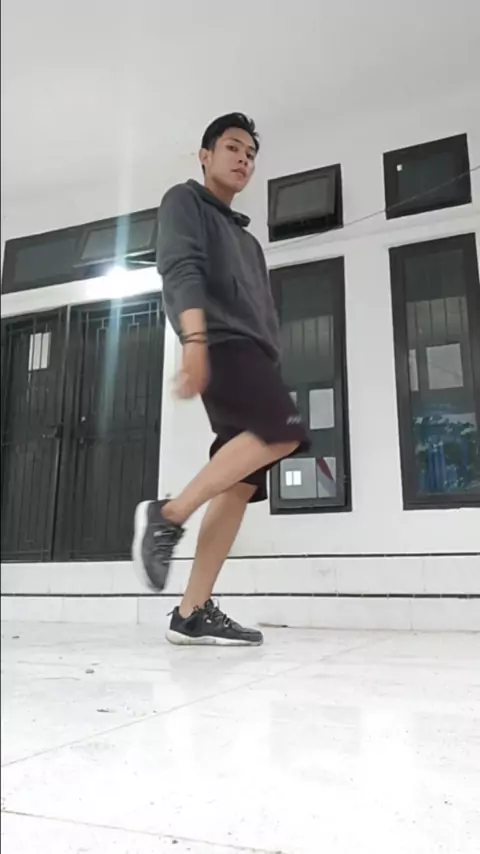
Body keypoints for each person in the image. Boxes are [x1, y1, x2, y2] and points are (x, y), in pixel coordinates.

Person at [132, 113, 309, 646]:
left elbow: (263, 311)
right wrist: (194, 340)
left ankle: (192, 612)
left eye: (251, 154)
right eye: (233, 147)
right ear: (205, 155)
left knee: (238, 484)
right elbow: (179, 268)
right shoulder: (183, 201)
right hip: (221, 342)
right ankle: (168, 515)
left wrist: (271, 365)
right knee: (284, 431)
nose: (243, 160)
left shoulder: (247, 242)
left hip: (254, 354)